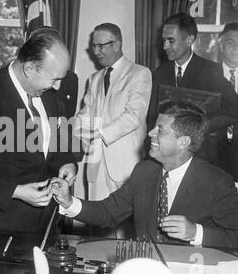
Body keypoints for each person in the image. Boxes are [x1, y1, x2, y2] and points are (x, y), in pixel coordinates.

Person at [52, 99, 238, 249]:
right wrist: (68, 202)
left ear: (183, 142)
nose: (150, 133)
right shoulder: (144, 171)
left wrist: (196, 232)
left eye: (160, 131)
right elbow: (107, 212)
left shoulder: (216, 182)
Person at [0, 28, 77, 233]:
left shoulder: (49, 91)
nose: (58, 86)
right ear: (29, 68)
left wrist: (67, 160)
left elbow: (58, 135)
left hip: (45, 222)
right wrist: (16, 191)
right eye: (54, 79)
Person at [146, 13, 238, 169]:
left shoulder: (210, 70)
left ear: (189, 40)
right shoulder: (160, 72)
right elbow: (152, 116)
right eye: (164, 40)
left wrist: (198, 127)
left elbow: (233, 109)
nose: (165, 46)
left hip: (203, 157)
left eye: (171, 41)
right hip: (168, 157)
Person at [73, 23, 152, 202]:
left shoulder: (139, 74)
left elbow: (133, 117)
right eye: (94, 46)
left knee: (126, 226)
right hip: (96, 166)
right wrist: (73, 142)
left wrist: (98, 132)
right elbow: (84, 116)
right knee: (98, 222)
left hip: (126, 165)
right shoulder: (94, 79)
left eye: (101, 46)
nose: (96, 51)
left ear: (116, 45)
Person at [219, 22, 238, 181]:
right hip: (214, 152)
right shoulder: (208, 74)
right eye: (230, 42)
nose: (236, 48)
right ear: (221, 44)